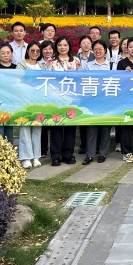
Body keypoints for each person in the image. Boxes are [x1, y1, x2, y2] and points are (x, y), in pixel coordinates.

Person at [47, 36, 81, 166]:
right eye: (60, 45)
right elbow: (46, 80)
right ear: (56, 47)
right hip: (55, 99)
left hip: (71, 99)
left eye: (65, 45)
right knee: (56, 126)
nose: (62, 47)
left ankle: (68, 154)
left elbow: (80, 80)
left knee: (70, 127)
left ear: (69, 46)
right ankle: (55, 155)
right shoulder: (51, 61)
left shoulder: (75, 61)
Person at [82, 40, 111, 164]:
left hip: (107, 101)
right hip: (92, 101)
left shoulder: (111, 65)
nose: (98, 51)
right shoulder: (88, 65)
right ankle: (90, 155)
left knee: (105, 128)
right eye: (95, 49)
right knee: (91, 128)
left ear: (105, 50)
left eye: (101, 49)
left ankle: (103, 153)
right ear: (92, 51)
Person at [16, 42, 43, 168]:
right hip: (24, 101)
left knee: (37, 130)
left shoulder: (42, 66)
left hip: (39, 102)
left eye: (38, 51)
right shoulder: (21, 65)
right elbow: (18, 81)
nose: (35, 53)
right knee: (25, 129)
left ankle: (36, 156)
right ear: (28, 51)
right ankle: (26, 157)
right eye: (32, 50)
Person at [0, 43, 16, 144]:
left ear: (12, 54)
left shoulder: (16, 68)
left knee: (9, 129)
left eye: (8, 53)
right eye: (3, 53)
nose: (6, 55)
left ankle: (10, 150)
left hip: (12, 103)